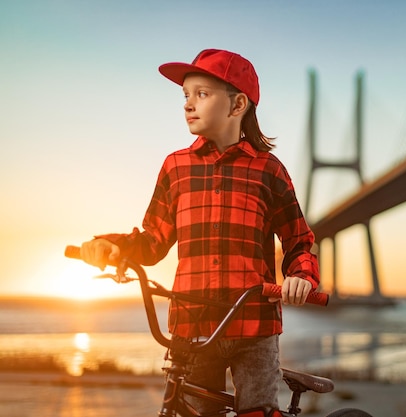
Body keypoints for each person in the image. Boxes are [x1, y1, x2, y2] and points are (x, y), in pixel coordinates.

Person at [78, 49, 320, 417]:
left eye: (202, 94)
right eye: (186, 96)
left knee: (258, 412)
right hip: (191, 325)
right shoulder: (175, 167)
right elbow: (152, 239)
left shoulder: (269, 170)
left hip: (253, 326)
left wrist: (300, 276)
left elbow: (298, 239)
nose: (189, 104)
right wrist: (114, 247)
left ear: (237, 104)